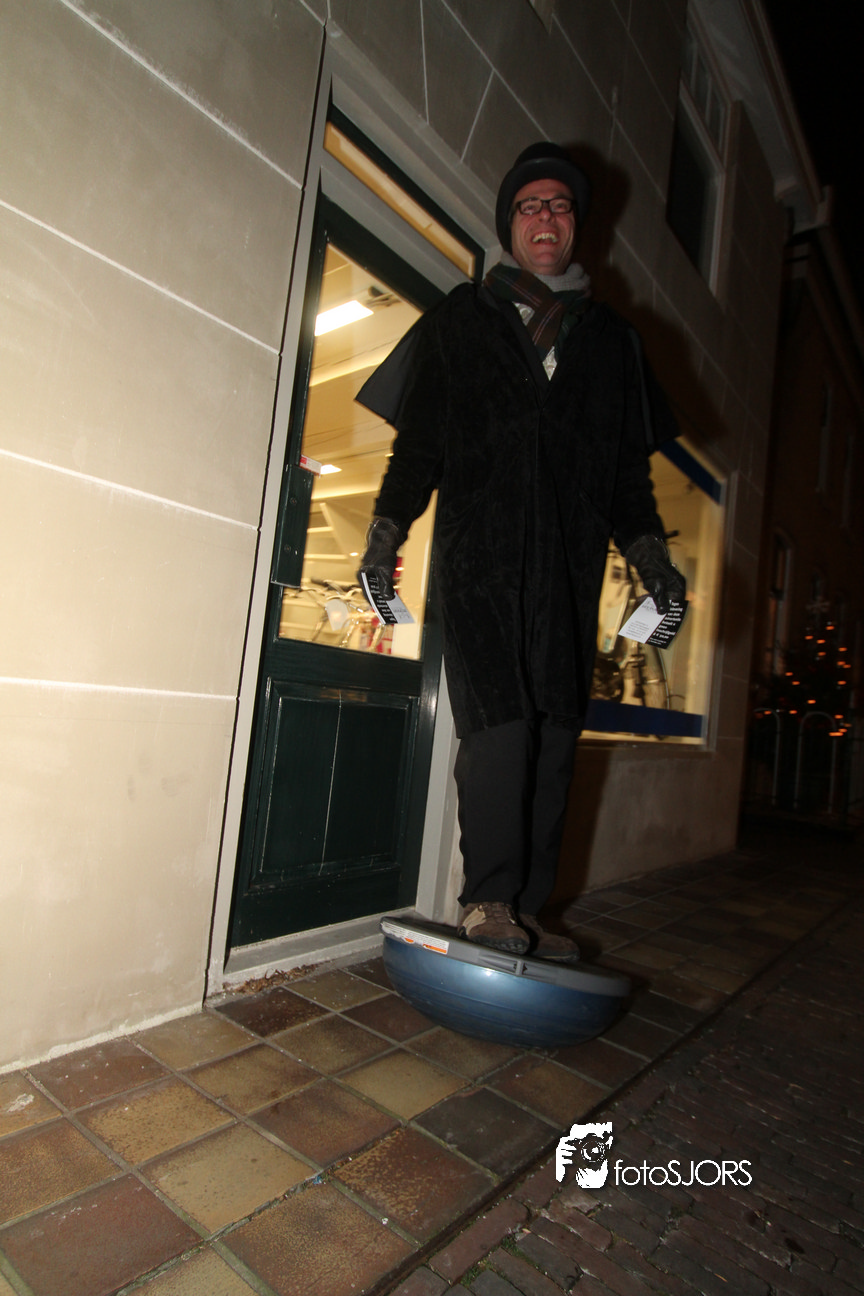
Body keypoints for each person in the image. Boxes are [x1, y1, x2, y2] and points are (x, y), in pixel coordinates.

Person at [356, 142, 684, 960]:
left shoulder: (611, 342)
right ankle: (489, 900)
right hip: (481, 563)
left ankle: (531, 909)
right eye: (531, 205)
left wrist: (653, 563)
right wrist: (386, 532)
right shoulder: (462, 321)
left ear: (576, 228)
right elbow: (419, 447)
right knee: (499, 724)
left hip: (568, 572)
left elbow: (626, 478)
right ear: (510, 224)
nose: (546, 217)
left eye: (561, 206)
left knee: (556, 730)